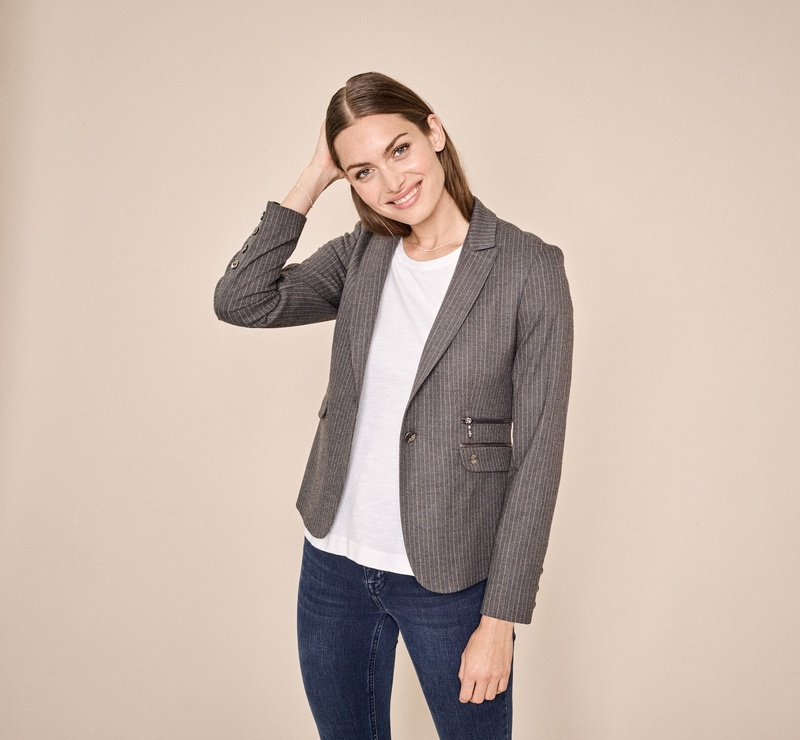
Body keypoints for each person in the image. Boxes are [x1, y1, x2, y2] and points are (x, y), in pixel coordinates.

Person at [214, 72, 573, 740]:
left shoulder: (528, 269)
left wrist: (500, 620)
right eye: (362, 171)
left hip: (450, 578)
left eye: (399, 149)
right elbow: (242, 300)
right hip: (333, 565)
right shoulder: (361, 255)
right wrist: (312, 178)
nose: (391, 182)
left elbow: (537, 459)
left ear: (434, 132)